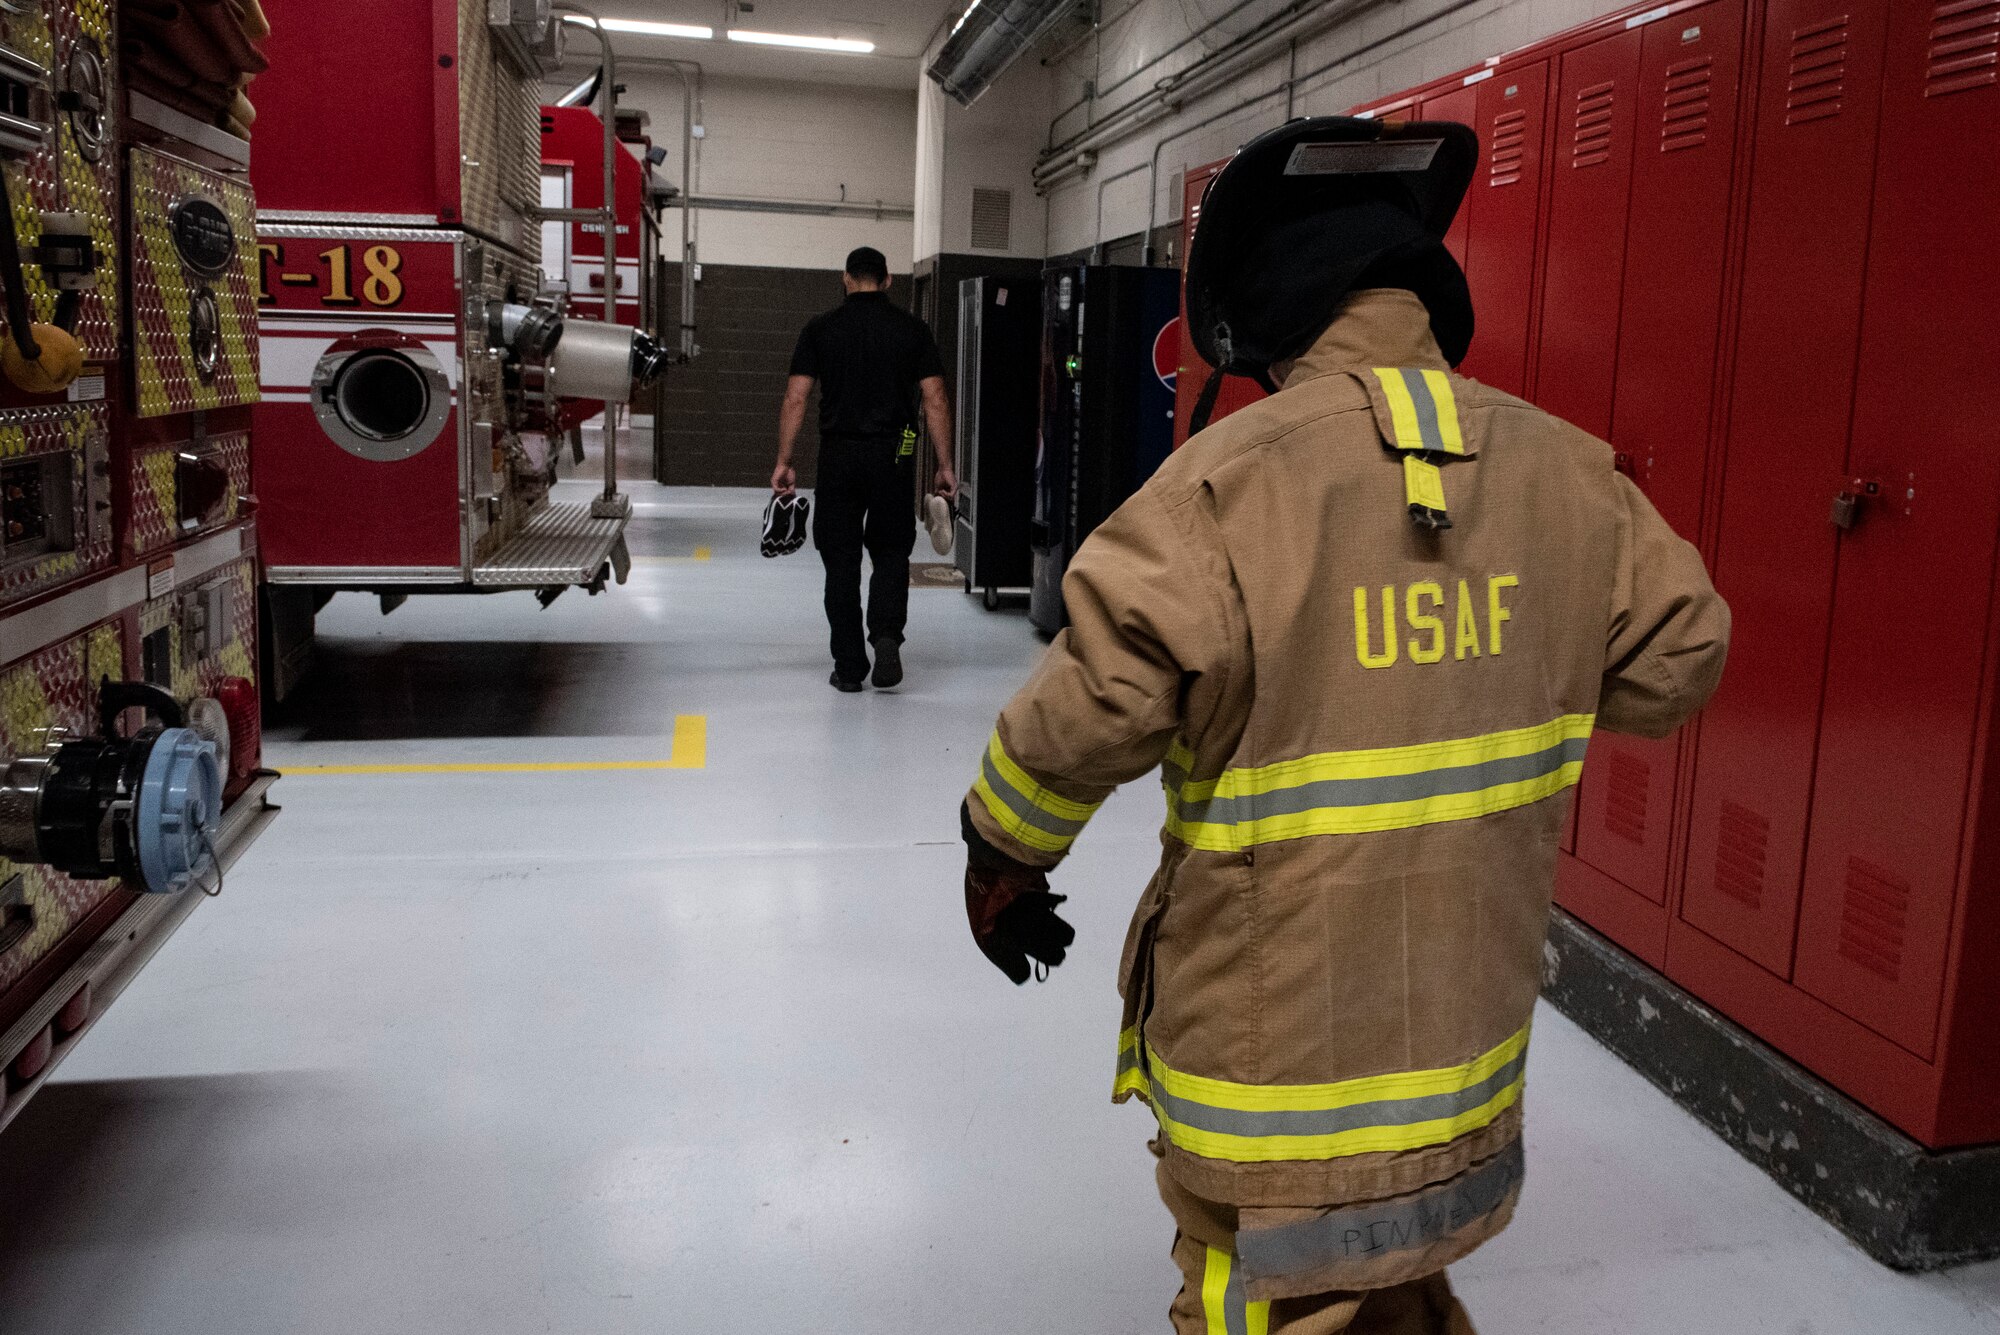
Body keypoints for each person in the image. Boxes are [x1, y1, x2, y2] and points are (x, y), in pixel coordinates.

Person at [956, 117, 1730, 1333]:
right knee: (1395, 1276)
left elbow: (1087, 709)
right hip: (1459, 1051)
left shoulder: (1219, 487)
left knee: (1263, 1301)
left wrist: (1001, 849)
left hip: (1274, 1066)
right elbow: (1678, 659)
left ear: (1259, 316)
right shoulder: (1572, 475)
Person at [772, 246, 957, 693]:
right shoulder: (913, 330)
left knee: (841, 560)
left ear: (846, 278)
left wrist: (785, 460)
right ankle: (887, 636)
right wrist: (944, 465)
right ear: (888, 280)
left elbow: (796, 397)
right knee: (891, 551)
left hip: (839, 454)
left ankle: (850, 665)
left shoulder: (820, 329)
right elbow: (935, 398)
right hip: (897, 452)